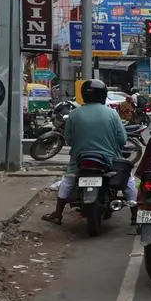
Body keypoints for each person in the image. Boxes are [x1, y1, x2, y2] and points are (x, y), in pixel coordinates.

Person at [42, 79, 138, 225]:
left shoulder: (74, 114)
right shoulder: (112, 114)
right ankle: (135, 215)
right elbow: (122, 139)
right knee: (128, 180)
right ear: (103, 95)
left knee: (68, 179)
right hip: (109, 159)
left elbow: (69, 139)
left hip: (80, 159)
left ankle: (58, 214)